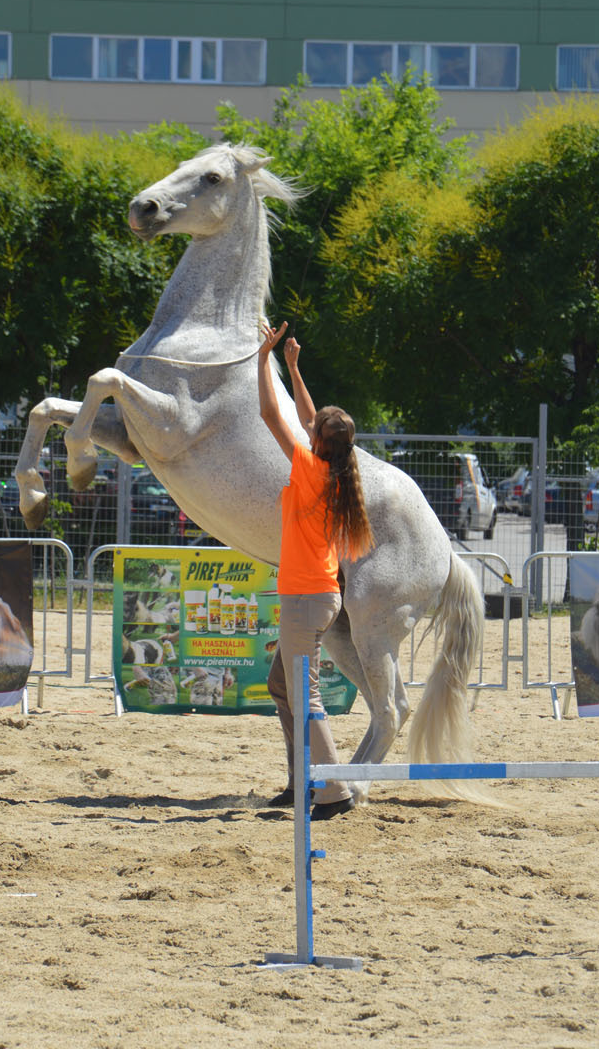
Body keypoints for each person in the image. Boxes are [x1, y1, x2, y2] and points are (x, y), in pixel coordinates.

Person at [256, 320, 375, 822]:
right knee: (281, 687)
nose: (310, 424)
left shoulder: (310, 469)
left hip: (307, 601)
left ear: (319, 442)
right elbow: (310, 419)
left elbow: (269, 413)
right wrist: (293, 367)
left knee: (305, 697)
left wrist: (262, 358)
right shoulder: (337, 467)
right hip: (314, 597)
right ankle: (303, 782)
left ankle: (332, 793)